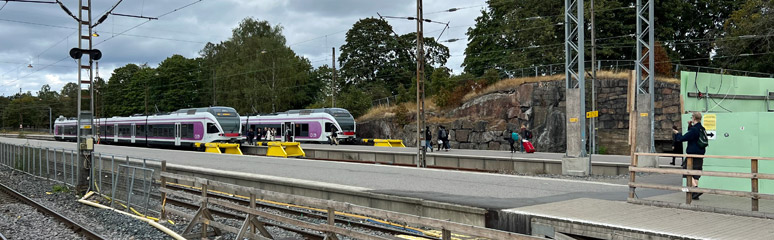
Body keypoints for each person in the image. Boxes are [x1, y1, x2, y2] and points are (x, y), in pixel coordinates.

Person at [673, 112, 707, 200]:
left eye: (692, 117)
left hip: (692, 154)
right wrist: (690, 126)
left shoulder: (694, 130)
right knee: (696, 173)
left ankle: (695, 189)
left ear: (694, 118)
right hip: (700, 154)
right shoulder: (702, 129)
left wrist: (677, 133)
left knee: (686, 169)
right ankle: (694, 194)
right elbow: (694, 137)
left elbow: (683, 138)